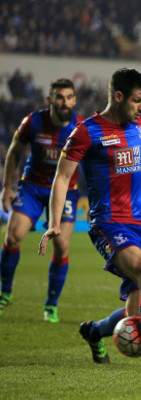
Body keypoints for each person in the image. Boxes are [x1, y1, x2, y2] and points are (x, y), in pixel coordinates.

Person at [39, 68, 141, 371]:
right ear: (118, 96)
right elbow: (62, 178)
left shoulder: (140, 126)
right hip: (110, 223)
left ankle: (94, 331)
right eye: (138, 101)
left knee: (136, 313)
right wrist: (54, 222)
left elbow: (134, 168)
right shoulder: (86, 132)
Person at [0, 78, 83, 323]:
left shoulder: (82, 127)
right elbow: (14, 150)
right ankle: (5, 291)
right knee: (13, 236)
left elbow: (94, 163)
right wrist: (7, 187)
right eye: (59, 97)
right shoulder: (34, 121)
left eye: (69, 97)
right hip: (34, 187)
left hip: (67, 190)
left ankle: (51, 305)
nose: (64, 102)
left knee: (62, 246)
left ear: (75, 100)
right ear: (50, 100)